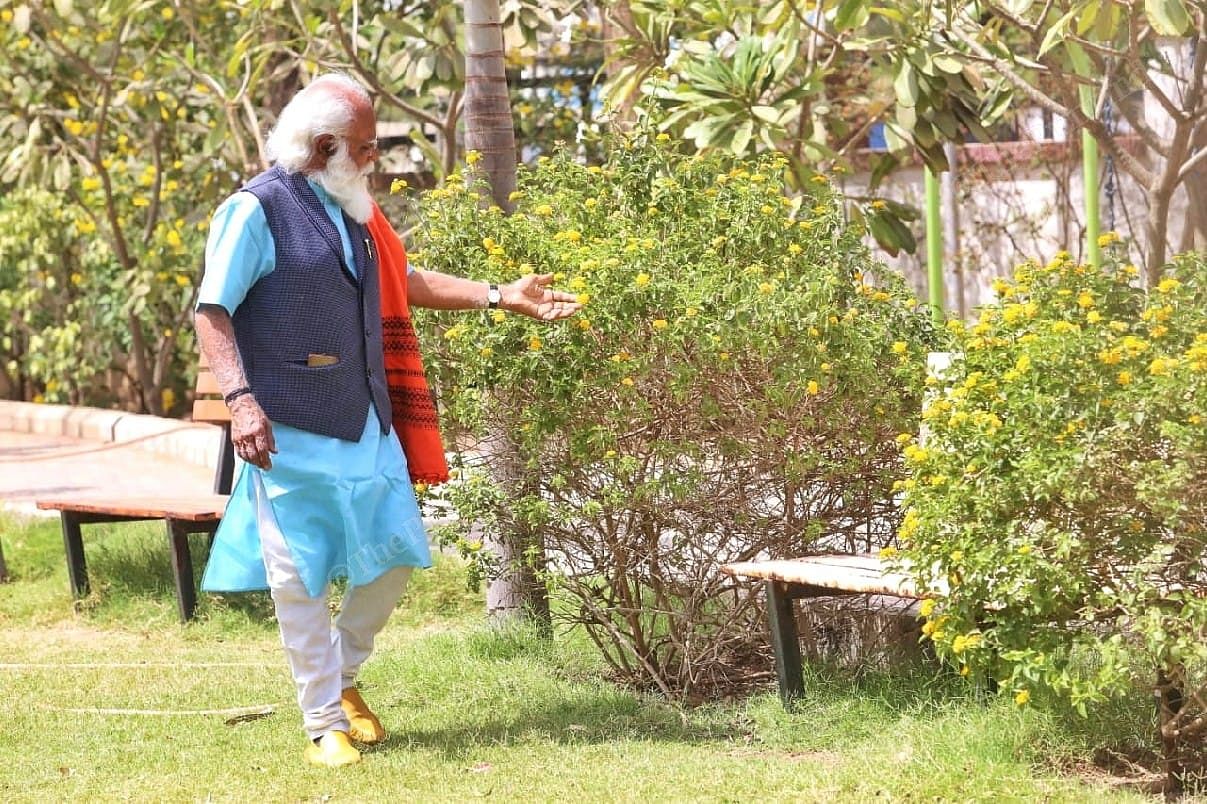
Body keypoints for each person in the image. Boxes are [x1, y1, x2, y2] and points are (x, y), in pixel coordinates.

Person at [194, 73, 580, 768]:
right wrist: (241, 402)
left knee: (398, 553)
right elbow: (211, 309)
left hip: (366, 418)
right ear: (322, 145)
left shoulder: (355, 209)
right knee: (298, 577)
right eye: (366, 148)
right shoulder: (254, 211)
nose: (375, 160)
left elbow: (402, 282)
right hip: (288, 424)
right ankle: (322, 724)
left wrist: (499, 295)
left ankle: (340, 679)